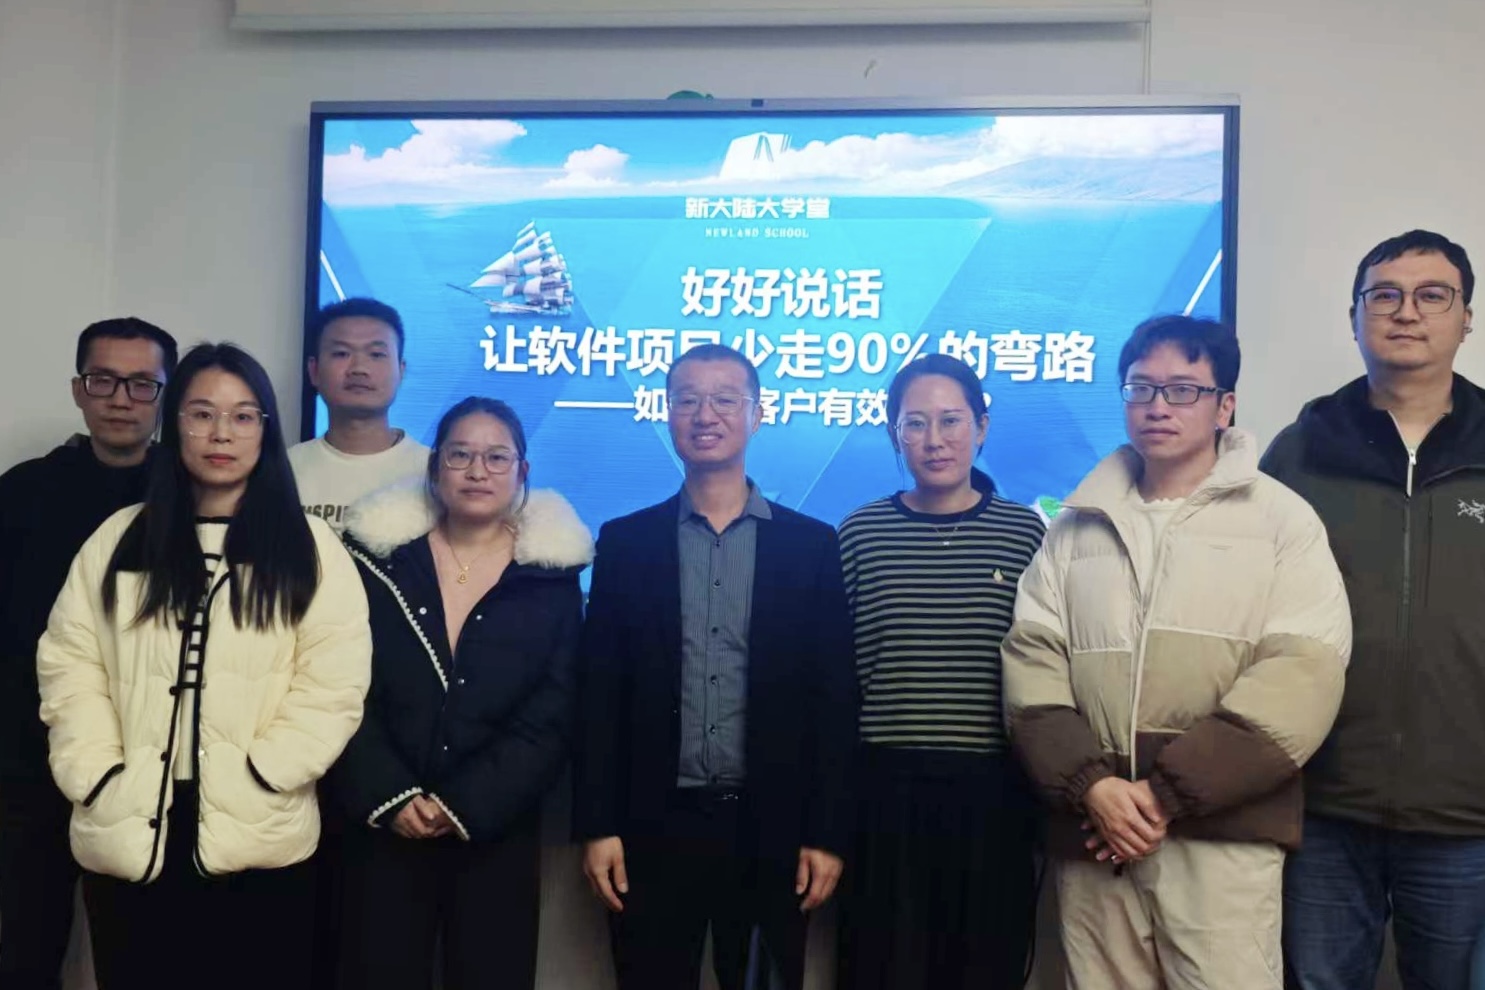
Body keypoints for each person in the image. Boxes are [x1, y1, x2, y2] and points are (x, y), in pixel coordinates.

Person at [1002, 315, 1351, 988]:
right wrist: (1093, 787)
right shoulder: (1074, 526)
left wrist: (1162, 796)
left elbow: (1303, 674)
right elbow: (1030, 664)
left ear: (1225, 406)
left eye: (1183, 389)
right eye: (1140, 388)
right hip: (1095, 835)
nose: (1158, 406)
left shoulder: (1282, 520)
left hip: (1222, 838)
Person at [35, 342, 372, 990]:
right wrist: (95, 771)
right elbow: (69, 663)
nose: (222, 434)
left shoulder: (308, 547)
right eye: (202, 414)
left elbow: (334, 683)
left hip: (258, 829)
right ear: (175, 423)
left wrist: (266, 772)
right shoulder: (120, 538)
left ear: (266, 430)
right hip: (132, 821)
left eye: (243, 416)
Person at [574, 343, 858, 990]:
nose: (706, 415)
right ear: (667, 413)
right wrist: (596, 825)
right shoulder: (626, 542)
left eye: (725, 399)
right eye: (688, 399)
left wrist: (827, 833)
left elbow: (833, 700)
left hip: (773, 826)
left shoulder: (811, 545)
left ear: (757, 413)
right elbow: (599, 696)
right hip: (650, 825)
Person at [1262, 230, 1485, 990]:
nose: (1405, 312)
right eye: (1383, 294)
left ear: (1465, 318)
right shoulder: (1300, 451)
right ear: (1354, 315)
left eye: (1432, 296)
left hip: (1467, 809)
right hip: (1322, 799)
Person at [330, 396, 590, 990]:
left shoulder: (551, 576)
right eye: (460, 455)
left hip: (494, 831)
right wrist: (392, 795)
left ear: (522, 471)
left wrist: (463, 804)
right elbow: (341, 685)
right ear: (434, 467)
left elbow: (552, 713)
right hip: (384, 825)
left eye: (497, 457)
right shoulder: (378, 562)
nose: (478, 471)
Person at [835, 354, 1044, 990]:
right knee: (881, 969)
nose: (934, 439)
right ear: (893, 433)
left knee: (983, 969)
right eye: (915, 423)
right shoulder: (860, 533)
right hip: (883, 791)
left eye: (951, 420)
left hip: (993, 792)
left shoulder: (1026, 534)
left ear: (981, 427)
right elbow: (838, 675)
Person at [0, 317, 177, 990]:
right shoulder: (21, 491)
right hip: (28, 760)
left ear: (164, 395)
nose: (121, 399)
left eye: (141, 383)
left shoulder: (189, 496)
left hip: (145, 762)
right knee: (25, 945)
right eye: (103, 380)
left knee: (141, 951)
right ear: (79, 389)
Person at [290, 297, 429, 532]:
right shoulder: (284, 470)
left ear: (401, 370)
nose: (359, 369)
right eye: (341, 353)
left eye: (376, 354)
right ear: (314, 371)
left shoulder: (433, 473)